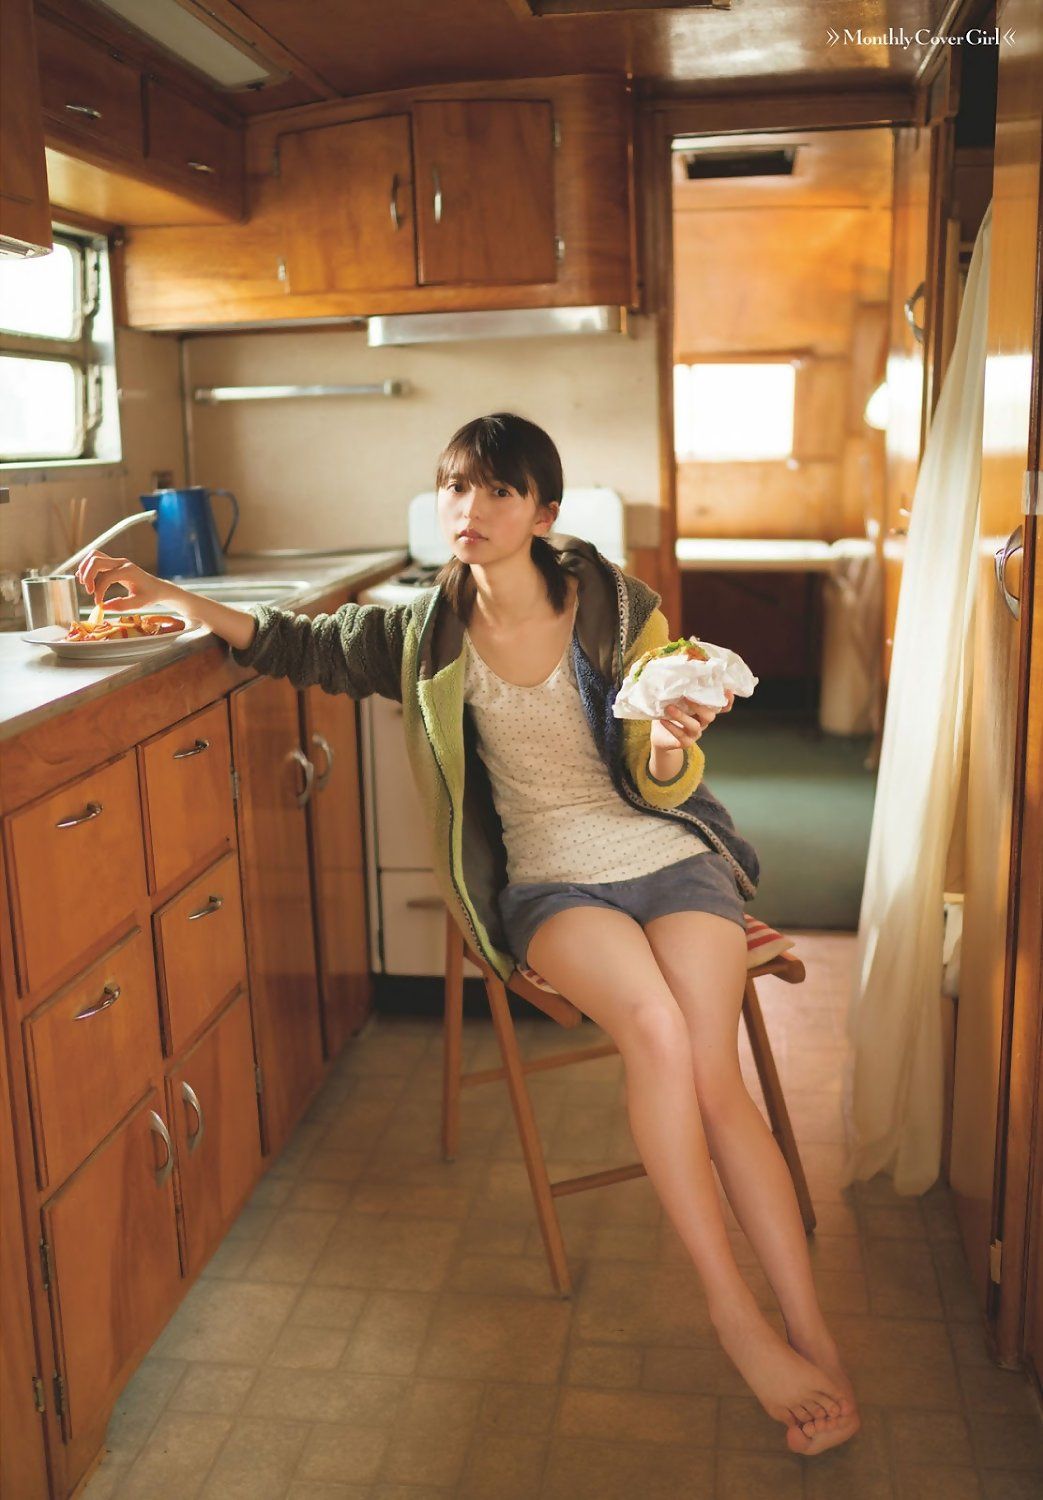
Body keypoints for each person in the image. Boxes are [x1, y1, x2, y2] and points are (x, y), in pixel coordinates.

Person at [77, 412, 859, 1456]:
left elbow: (662, 776)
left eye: (497, 491)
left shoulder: (620, 608)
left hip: (669, 857)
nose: (469, 509)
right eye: (454, 487)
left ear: (543, 513)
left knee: (713, 1071)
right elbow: (293, 644)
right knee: (657, 1032)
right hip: (553, 885)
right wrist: (172, 597)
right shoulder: (422, 633)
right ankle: (736, 1316)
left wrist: (674, 742)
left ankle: (812, 1332)